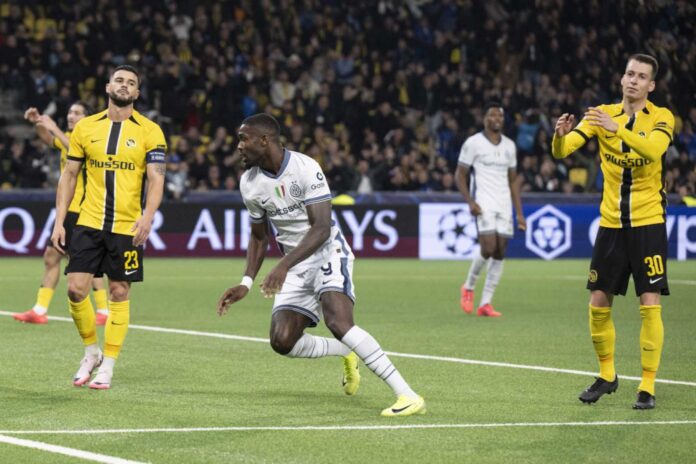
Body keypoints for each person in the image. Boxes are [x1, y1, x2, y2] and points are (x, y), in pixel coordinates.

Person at [217, 113, 425, 417]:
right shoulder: (249, 183)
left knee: (339, 322)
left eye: (243, 138)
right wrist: (246, 282)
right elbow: (258, 237)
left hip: (328, 253)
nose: (238, 146)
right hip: (294, 264)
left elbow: (321, 228)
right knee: (282, 341)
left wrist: (282, 266)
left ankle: (407, 395)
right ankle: (346, 351)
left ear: (265, 140)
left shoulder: (305, 168)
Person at [552, 54, 674, 409]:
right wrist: (559, 137)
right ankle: (607, 376)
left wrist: (616, 129)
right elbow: (564, 150)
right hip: (610, 225)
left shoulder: (662, 117)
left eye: (641, 76)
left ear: (651, 85)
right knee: (598, 302)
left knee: (649, 302)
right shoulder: (601, 113)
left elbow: (653, 150)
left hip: (648, 222)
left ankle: (647, 386)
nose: (633, 80)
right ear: (622, 79)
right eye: (629, 74)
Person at [51, 65, 167, 390]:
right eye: (120, 80)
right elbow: (69, 176)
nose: (125, 86)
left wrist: (148, 216)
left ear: (137, 93)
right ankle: (91, 352)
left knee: (118, 291)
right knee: (75, 289)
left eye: (132, 83)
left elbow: (157, 178)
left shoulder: (150, 131)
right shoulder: (85, 128)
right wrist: (60, 221)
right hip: (88, 221)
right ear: (107, 86)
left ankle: (109, 366)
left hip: (127, 226)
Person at [14, 103, 110, 325]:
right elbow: (49, 140)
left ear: (87, 118)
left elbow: (78, 150)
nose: (71, 115)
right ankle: (40, 309)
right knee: (53, 257)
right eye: (70, 112)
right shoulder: (67, 136)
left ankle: (103, 310)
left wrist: (53, 126)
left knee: (84, 262)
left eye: (77, 113)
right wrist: (38, 121)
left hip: (84, 209)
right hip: (69, 209)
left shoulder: (92, 137)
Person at [455, 102, 526, 317]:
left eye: (499, 115)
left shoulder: (510, 146)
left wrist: (519, 213)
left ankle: (485, 303)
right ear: (485, 118)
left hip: (504, 204)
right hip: (483, 201)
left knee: (500, 251)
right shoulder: (473, 143)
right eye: (492, 114)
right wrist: (470, 202)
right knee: (488, 247)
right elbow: (460, 175)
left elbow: (513, 181)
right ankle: (468, 286)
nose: (496, 118)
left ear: (503, 120)